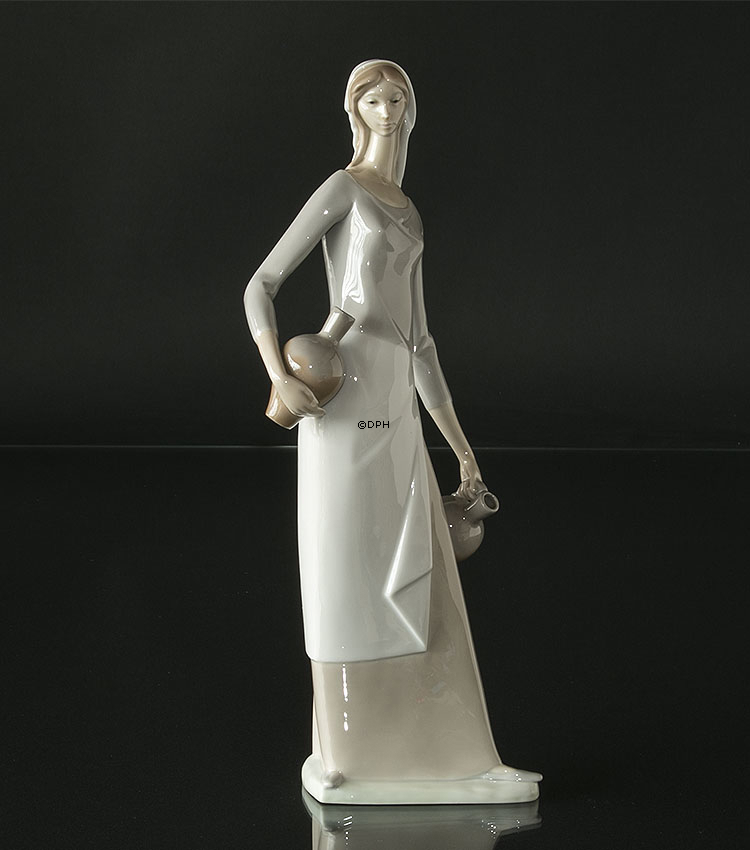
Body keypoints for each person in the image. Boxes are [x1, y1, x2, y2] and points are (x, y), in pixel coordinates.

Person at [244, 59, 540, 804]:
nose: (387, 107)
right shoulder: (342, 189)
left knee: (425, 578)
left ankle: (464, 759)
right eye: (373, 97)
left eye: (398, 96)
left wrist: (464, 452)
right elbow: (261, 284)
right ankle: (341, 754)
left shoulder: (407, 208)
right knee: (345, 576)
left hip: (395, 406)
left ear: (411, 109)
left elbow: (422, 342)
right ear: (355, 109)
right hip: (340, 399)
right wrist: (279, 374)